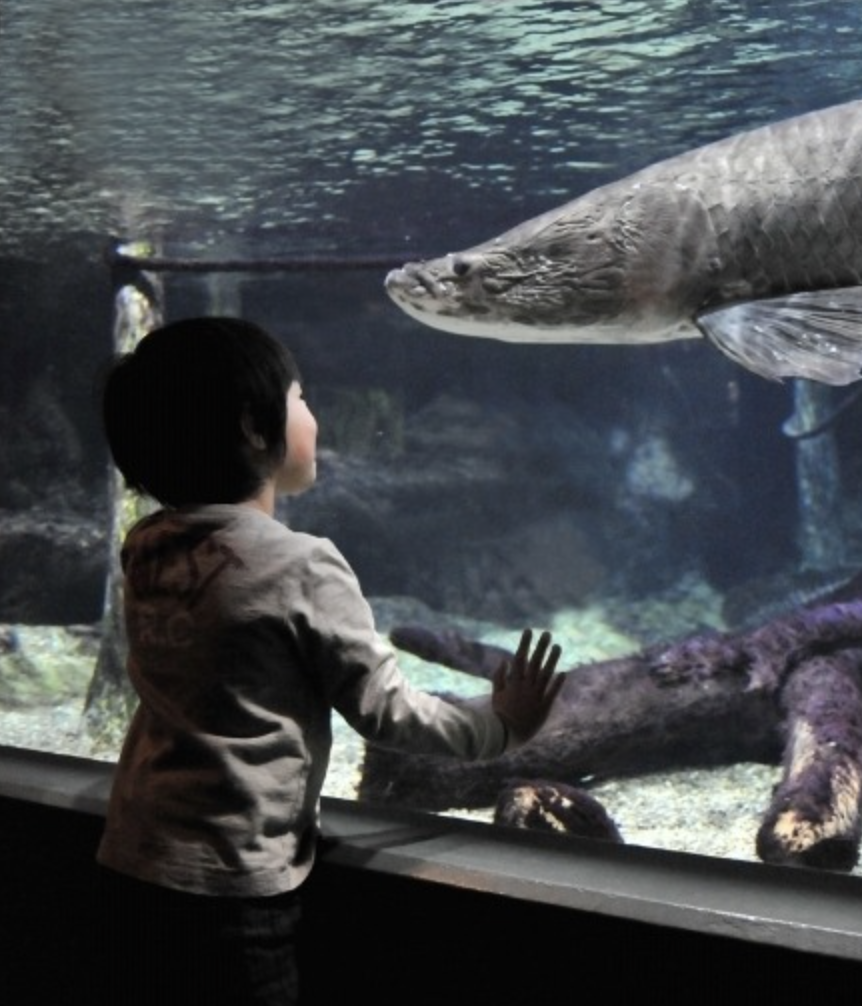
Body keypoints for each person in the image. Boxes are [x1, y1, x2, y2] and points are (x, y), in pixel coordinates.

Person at [93, 316, 564, 1005]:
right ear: (257, 428)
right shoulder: (301, 564)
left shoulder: (147, 545)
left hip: (131, 855)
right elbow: (387, 712)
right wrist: (501, 727)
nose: (313, 414)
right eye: (301, 397)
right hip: (235, 884)